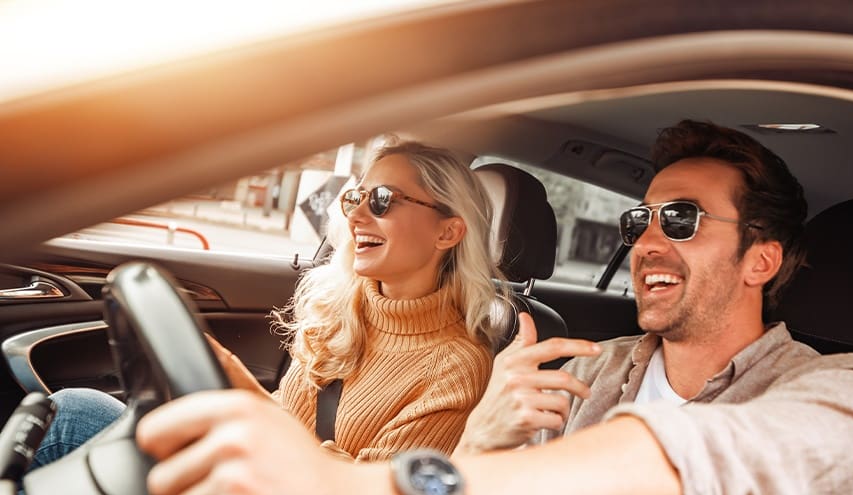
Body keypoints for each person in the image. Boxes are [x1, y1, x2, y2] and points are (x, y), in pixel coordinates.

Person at [134, 121, 853, 495]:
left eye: (680, 219)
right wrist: (482, 434)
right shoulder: (584, 366)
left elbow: (696, 469)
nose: (645, 241)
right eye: (639, 218)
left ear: (761, 260)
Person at [33, 139, 504, 466]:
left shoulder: (455, 366)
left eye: (382, 200)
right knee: (73, 407)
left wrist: (238, 388)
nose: (357, 214)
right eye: (356, 197)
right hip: (246, 472)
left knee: (74, 420)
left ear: (448, 231)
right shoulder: (342, 307)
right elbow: (287, 415)